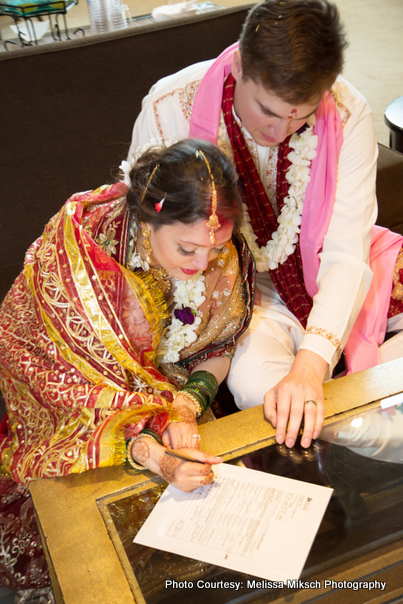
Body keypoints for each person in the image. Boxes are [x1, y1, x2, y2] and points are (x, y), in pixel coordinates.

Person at [129, 0, 403, 452]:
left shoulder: (346, 110)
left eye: (300, 115)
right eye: (268, 110)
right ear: (239, 64)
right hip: (232, 293)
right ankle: (376, 436)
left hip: (328, 269)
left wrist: (312, 365)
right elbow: (142, 235)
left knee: (310, 383)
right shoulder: (168, 108)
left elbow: (345, 251)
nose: (281, 129)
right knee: (262, 391)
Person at [0, 138, 254, 592]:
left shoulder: (218, 253)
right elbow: (56, 374)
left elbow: (220, 346)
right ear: (149, 217)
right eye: (186, 249)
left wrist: (185, 405)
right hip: (75, 406)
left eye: (214, 250)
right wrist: (149, 452)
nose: (204, 263)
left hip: (171, 398)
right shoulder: (84, 247)